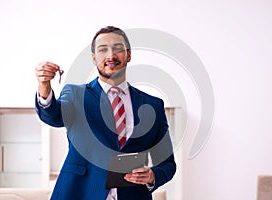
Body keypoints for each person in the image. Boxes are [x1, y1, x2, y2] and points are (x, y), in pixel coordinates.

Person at [35, 26, 176, 200]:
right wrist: (44, 86)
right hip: (79, 193)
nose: (111, 55)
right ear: (94, 58)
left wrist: (152, 175)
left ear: (129, 55)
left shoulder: (153, 105)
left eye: (118, 48)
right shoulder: (75, 95)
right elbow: (53, 116)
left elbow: (168, 164)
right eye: (103, 50)